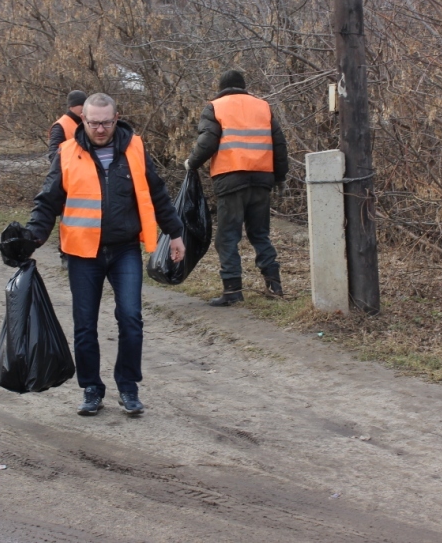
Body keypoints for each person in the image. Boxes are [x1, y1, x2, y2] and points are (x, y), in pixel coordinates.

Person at [19, 93, 185, 416]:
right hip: (83, 253)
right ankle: (92, 388)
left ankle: (128, 387)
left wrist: (175, 232)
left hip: (124, 250)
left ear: (117, 117)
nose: (100, 129)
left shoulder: (135, 147)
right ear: (84, 120)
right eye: (94, 122)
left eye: (106, 122)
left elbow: (157, 191)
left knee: (131, 319)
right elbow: (47, 202)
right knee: (84, 325)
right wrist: (32, 237)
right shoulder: (67, 153)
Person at [184, 70, 289, 305]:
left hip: (231, 179)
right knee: (260, 234)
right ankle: (274, 285)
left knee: (227, 237)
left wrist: (192, 163)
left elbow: (208, 140)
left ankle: (232, 291)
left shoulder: (216, 106)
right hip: (262, 179)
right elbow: (279, 143)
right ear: (244, 86)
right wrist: (280, 176)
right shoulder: (263, 106)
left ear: (221, 88)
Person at [48, 90, 87, 269]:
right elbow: (53, 154)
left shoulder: (86, 123)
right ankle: (65, 252)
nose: (84, 108)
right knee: (68, 218)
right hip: (69, 180)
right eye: (82, 105)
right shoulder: (61, 125)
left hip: (86, 180)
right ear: (72, 106)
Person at [47, 90, 87, 160]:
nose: (84, 107)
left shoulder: (88, 122)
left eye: (85, 105)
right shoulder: (59, 126)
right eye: (81, 104)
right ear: (71, 107)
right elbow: (53, 156)